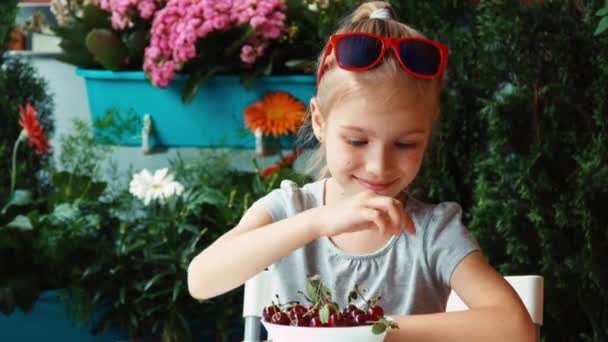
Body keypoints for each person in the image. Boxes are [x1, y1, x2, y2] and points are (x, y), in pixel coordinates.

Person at [187, 1, 535, 341]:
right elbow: (201, 280)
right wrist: (318, 222)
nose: (379, 166)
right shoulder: (289, 210)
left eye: (405, 144)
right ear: (320, 123)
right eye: (356, 141)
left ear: (428, 136)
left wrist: (369, 330)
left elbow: (515, 328)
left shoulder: (434, 233)